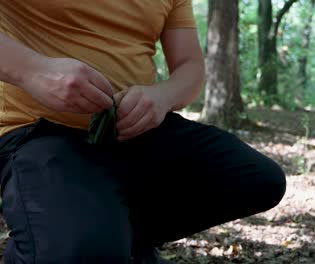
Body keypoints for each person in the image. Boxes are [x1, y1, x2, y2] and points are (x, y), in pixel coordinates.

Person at [0, 1, 286, 263]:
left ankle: (111, 232)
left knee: (259, 179)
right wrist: (33, 71)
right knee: (86, 252)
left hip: (135, 132)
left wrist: (162, 97)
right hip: (36, 133)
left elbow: (190, 66)